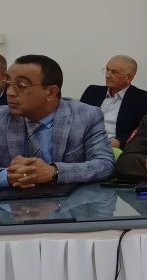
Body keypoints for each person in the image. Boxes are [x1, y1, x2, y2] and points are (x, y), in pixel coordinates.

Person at [0, 55, 114, 187]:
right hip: (15, 198)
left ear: (50, 92)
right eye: (9, 84)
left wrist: (54, 172)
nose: (10, 93)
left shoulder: (86, 116)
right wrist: (8, 176)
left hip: (70, 199)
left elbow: (105, 164)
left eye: (21, 85)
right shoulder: (2, 117)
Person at [80, 55, 147, 149]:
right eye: (107, 69)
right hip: (84, 144)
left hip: (113, 148)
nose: (107, 75)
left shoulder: (142, 98)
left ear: (129, 77)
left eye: (114, 72)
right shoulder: (92, 91)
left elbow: (143, 129)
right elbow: (77, 120)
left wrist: (120, 142)